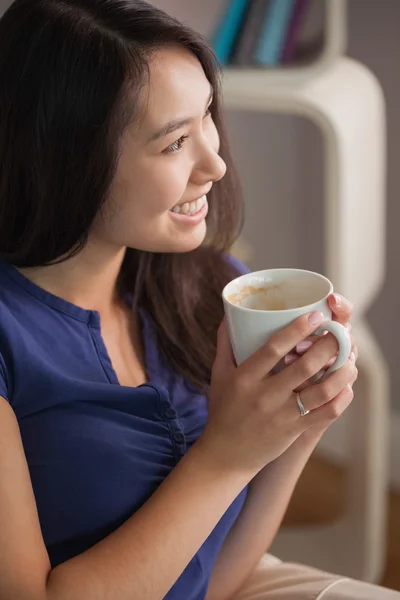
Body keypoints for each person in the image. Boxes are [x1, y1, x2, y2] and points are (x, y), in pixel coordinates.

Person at [0, 1, 396, 599]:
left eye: (207, 116)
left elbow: (215, 580)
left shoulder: (206, 285)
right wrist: (228, 456)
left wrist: (299, 426)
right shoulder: (11, 339)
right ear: (66, 160)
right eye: (174, 142)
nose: (214, 163)